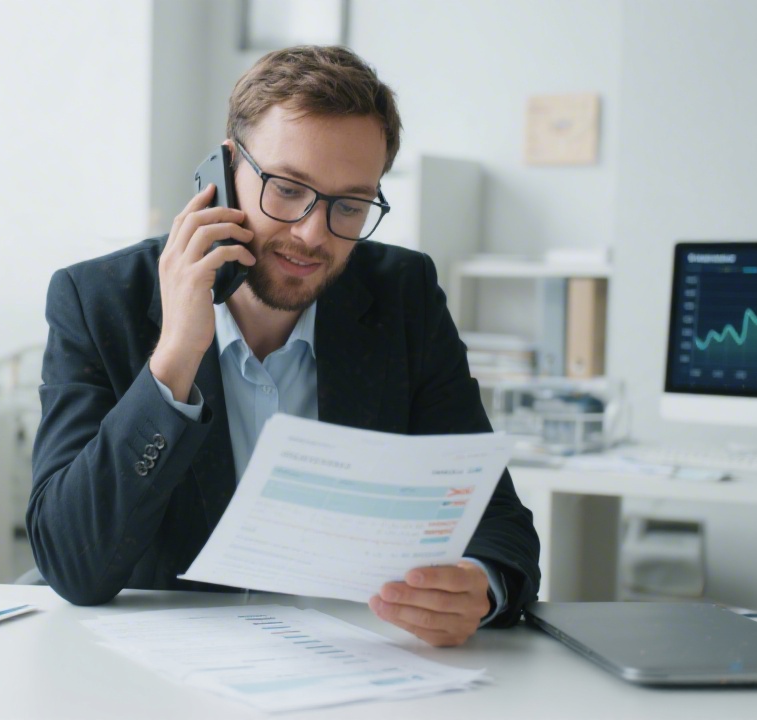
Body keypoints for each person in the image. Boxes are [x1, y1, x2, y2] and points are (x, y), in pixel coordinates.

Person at [28, 45, 540, 647]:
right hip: (161, 668)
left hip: (350, 658)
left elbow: (497, 519)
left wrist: (477, 585)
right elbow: (70, 562)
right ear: (224, 172)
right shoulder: (98, 300)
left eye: (350, 205)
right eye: (288, 189)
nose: (312, 233)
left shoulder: (404, 294)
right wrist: (175, 360)